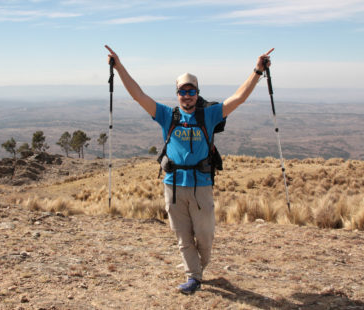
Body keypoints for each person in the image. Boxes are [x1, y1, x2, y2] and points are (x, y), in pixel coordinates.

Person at [105, 45, 273, 294]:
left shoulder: (210, 115)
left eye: (191, 91)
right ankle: (193, 276)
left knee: (205, 237)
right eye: (182, 92)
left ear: (197, 93)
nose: (187, 95)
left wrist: (257, 71)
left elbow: (238, 98)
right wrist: (118, 67)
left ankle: (199, 267)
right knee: (182, 237)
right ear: (177, 94)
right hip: (172, 186)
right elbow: (138, 95)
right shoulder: (166, 115)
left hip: (201, 185)